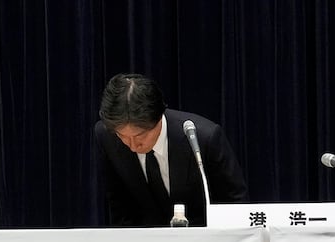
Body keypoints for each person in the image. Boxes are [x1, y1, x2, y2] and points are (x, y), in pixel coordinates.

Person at [93, 74, 247, 227]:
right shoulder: (107, 136)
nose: (133, 146)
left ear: (159, 117)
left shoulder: (203, 138)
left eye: (140, 135)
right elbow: (119, 204)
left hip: (201, 241)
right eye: (123, 136)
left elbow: (234, 203)